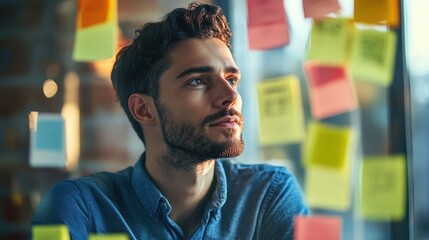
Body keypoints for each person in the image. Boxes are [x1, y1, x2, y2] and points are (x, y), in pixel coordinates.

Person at [32, 2, 308, 239]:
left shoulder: (269, 195)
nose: (230, 95)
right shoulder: (83, 208)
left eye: (232, 79)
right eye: (197, 81)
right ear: (144, 109)